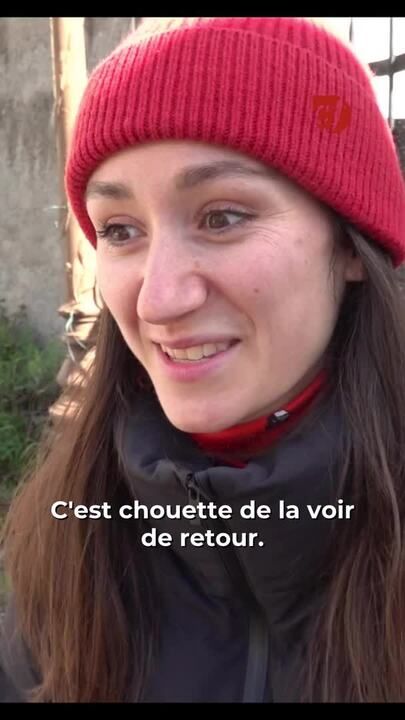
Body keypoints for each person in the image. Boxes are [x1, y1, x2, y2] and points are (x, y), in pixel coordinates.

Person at [1, 16, 405, 704]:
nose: (158, 299)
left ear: (349, 244)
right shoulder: (66, 548)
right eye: (120, 230)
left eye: (222, 217)